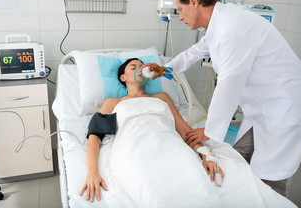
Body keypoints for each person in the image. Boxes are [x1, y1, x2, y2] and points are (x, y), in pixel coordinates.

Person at [144, 0, 301, 197]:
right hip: (263, 110)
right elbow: (195, 53)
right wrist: (164, 69)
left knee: (270, 179)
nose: (180, 17)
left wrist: (208, 131)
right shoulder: (220, 23)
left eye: (181, 9)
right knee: (237, 159)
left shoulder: (232, 28)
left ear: (194, 1)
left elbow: (228, 84)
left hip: (286, 111)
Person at [79, 58, 224, 202]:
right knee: (152, 193)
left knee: (197, 187)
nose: (139, 69)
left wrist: (206, 155)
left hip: (171, 145)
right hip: (133, 148)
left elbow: (185, 132)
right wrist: (92, 172)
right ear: (123, 77)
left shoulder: (162, 97)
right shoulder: (113, 102)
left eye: (142, 66)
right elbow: (95, 137)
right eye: (133, 67)